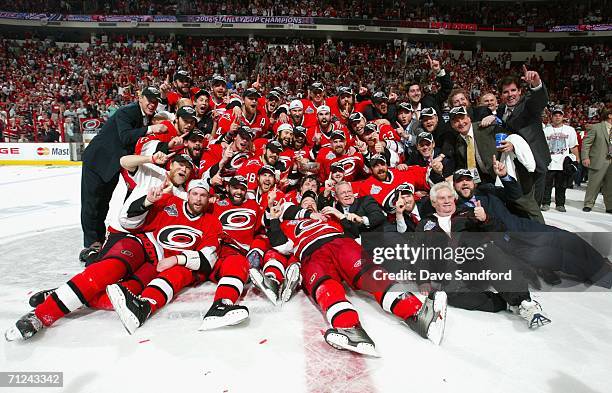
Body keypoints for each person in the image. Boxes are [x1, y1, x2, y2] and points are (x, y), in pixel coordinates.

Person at [267, 193, 448, 356]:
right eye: (305, 202)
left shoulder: (329, 217)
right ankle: (348, 328)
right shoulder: (286, 224)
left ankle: (417, 313)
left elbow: (353, 232)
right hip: (311, 254)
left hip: (341, 243)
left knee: (371, 274)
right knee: (325, 287)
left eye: (312, 202)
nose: (309, 205)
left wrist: (341, 216)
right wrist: (274, 220)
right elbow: (282, 246)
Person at [106, 179, 251, 334]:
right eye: (195, 194)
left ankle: (221, 305)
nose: (198, 198)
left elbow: (208, 258)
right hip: (159, 260)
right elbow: (127, 220)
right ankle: (143, 306)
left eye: (203, 195)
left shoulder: (212, 221)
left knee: (236, 262)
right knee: (176, 271)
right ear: (187, 195)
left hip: (192, 264)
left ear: (208, 198)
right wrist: (147, 201)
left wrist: (177, 259)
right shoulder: (169, 204)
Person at [416, 182, 551, 329]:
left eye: (450, 197)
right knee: (452, 295)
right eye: (442, 198)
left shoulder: (468, 213)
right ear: (434, 202)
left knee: (487, 248)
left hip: (477, 261)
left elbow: (500, 229)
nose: (447, 200)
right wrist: (423, 280)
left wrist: (485, 218)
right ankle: (505, 303)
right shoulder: (425, 224)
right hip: (451, 271)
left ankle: (525, 302)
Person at [80, 87, 166, 262]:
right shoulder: (127, 112)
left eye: (155, 101)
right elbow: (125, 137)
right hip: (97, 161)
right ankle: (91, 244)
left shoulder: (148, 115)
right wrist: (151, 128)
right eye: (149, 99)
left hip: (113, 164)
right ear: (140, 98)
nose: (152, 104)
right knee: (91, 203)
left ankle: (100, 239)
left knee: (103, 202)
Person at [496, 66, 550, 207]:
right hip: (515, 165)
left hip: (535, 163)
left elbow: (539, 100)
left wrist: (536, 84)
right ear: (501, 95)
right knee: (517, 204)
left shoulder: (528, 104)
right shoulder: (501, 110)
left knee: (533, 207)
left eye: (513, 90)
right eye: (505, 92)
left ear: (520, 91)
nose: (510, 94)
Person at [542, 106, 580, 212]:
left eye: (560, 115)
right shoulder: (546, 130)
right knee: (547, 184)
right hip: (549, 161)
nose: (557, 117)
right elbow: (542, 147)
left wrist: (577, 159)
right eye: (555, 115)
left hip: (564, 162)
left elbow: (573, 146)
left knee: (562, 185)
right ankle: (545, 202)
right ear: (552, 117)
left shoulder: (570, 130)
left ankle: (560, 204)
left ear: (563, 117)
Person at [319, 181, 386, 239]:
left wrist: (361, 219)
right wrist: (327, 191)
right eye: (343, 193)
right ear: (336, 197)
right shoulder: (337, 210)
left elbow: (379, 215)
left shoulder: (365, 200)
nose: (347, 195)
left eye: (349, 191)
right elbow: (324, 208)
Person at [581, 107, 612, 213]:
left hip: (611, 162)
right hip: (598, 159)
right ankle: (588, 204)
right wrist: (585, 157)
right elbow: (586, 143)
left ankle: (609, 206)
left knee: (610, 186)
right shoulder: (596, 127)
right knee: (594, 184)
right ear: (609, 116)